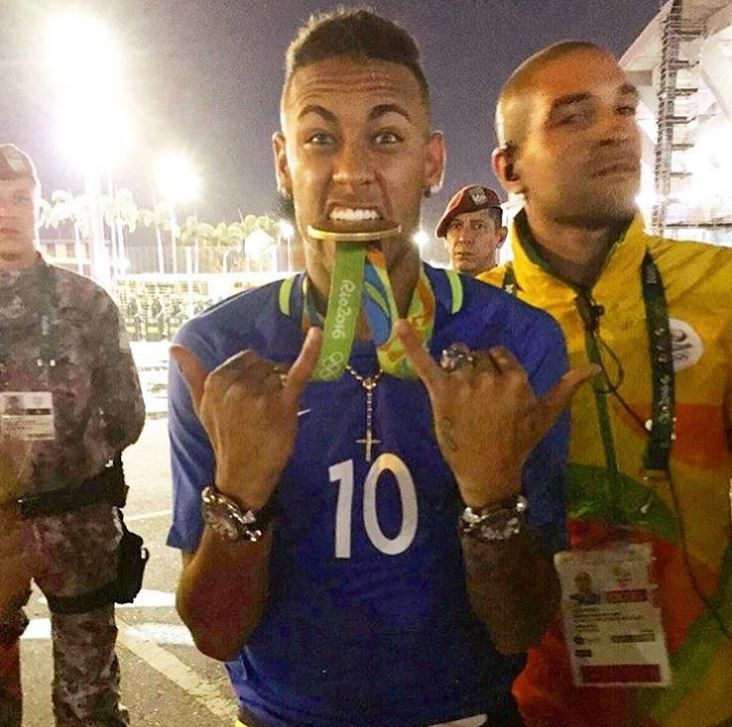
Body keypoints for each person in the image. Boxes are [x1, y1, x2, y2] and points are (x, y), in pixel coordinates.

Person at [168, 10, 595, 727]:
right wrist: (241, 492)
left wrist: (492, 493)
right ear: (283, 162)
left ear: (430, 163)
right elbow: (215, 634)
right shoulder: (218, 351)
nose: (354, 171)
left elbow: (516, 627)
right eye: (319, 137)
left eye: (387, 137)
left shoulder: (514, 343)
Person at [479, 41, 732, 727]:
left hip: (706, 699)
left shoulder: (723, 287)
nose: (616, 128)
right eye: (572, 116)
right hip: (533, 704)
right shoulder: (469, 324)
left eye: (625, 108)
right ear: (511, 168)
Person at [0, 143, 145, 727]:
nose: (6, 210)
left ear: (35, 206)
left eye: (18, 198)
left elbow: (128, 415)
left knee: (89, 701)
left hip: (80, 528)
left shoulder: (87, 305)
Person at [436, 185, 507, 276]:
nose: (464, 237)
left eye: (478, 226)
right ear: (445, 239)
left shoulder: (519, 289)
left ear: (500, 237)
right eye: (456, 226)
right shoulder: (427, 289)